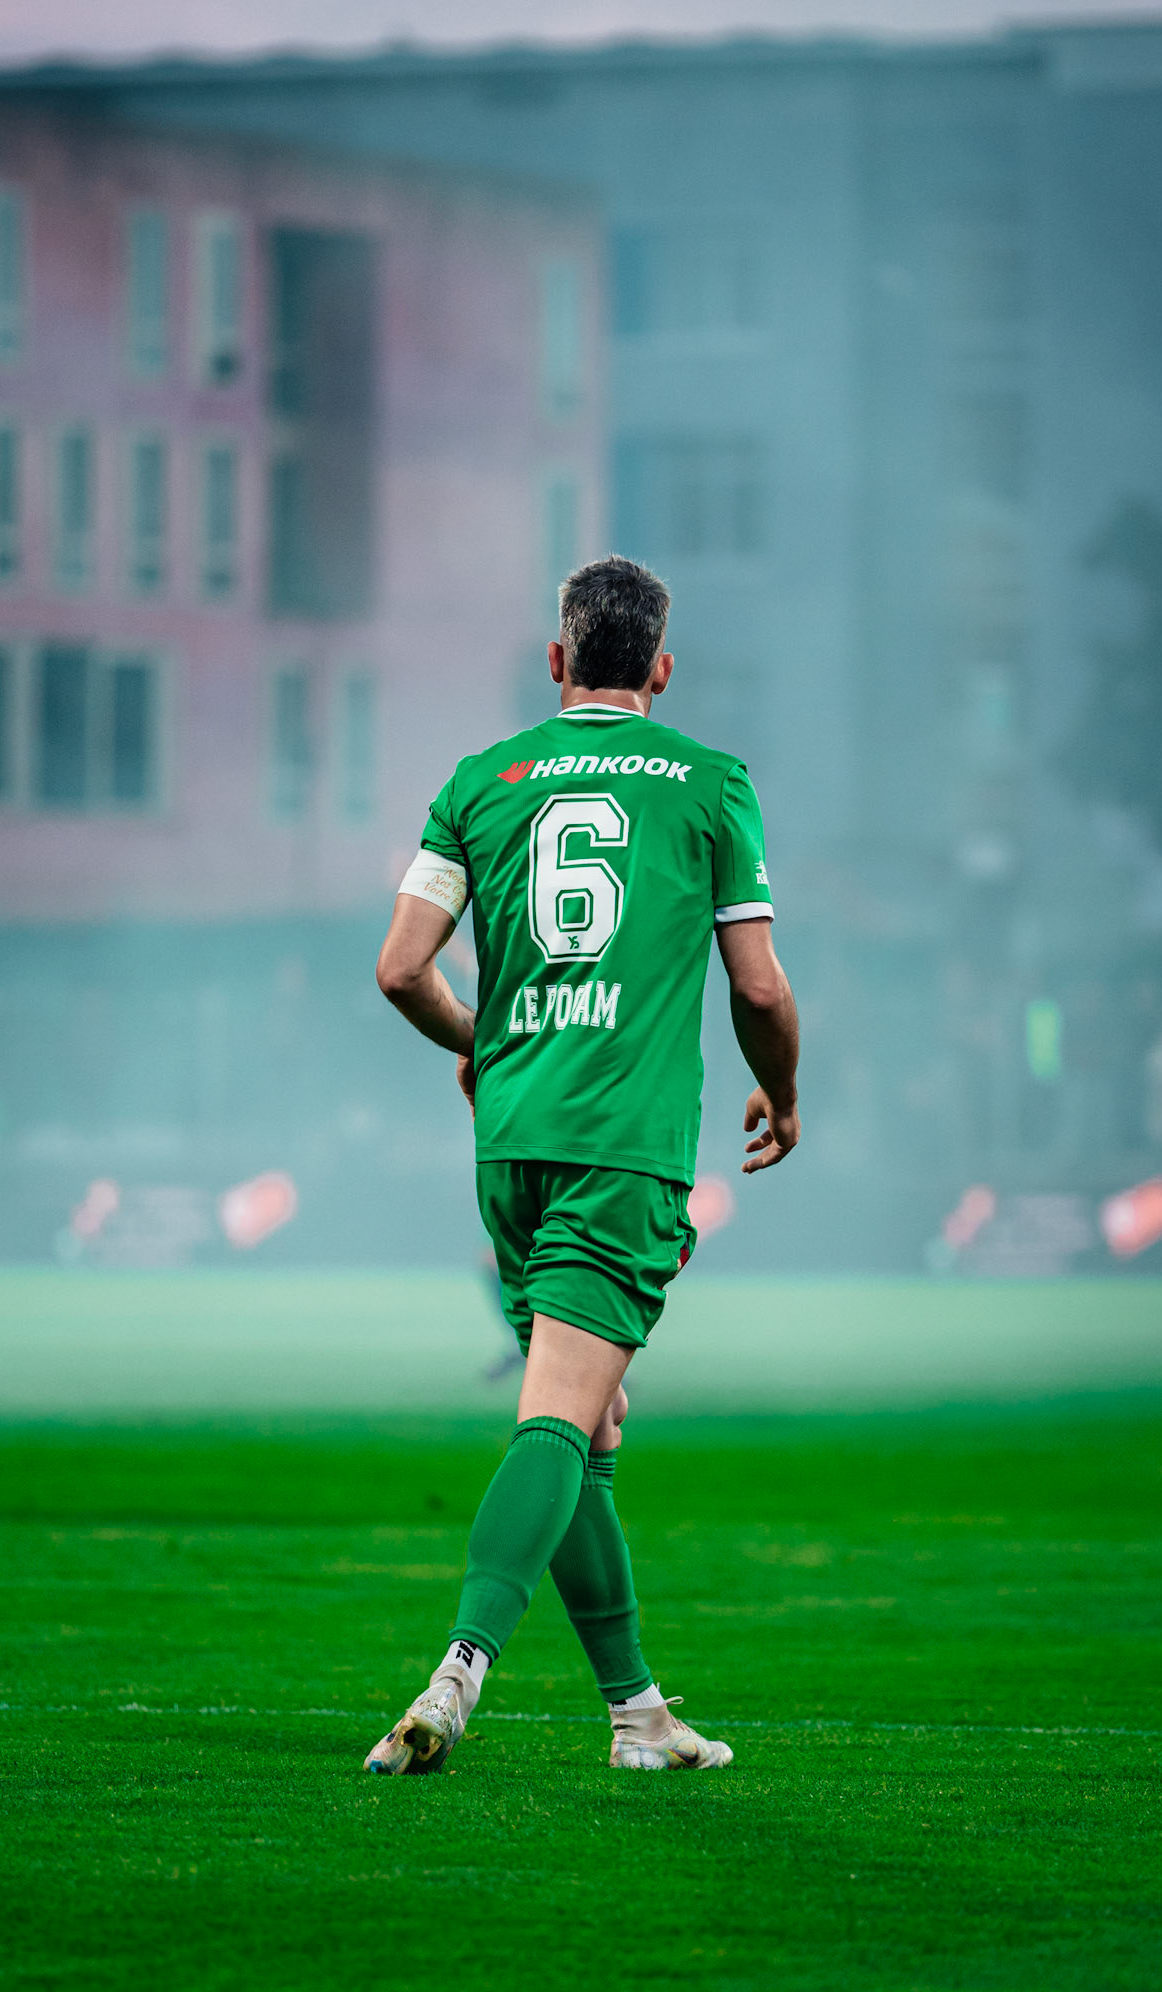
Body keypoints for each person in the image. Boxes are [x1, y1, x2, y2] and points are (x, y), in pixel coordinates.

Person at [365, 556, 800, 1776]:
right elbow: (757, 983)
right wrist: (788, 1086)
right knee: (558, 1410)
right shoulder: (712, 784)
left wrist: (487, 1039)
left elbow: (402, 967)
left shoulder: (480, 781)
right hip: (623, 1150)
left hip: (510, 1147)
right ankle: (458, 1672)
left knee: (591, 1417)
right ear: (661, 668)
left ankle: (638, 1714)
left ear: (556, 663)